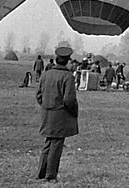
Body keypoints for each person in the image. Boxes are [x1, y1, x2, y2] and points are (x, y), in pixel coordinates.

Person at [35, 46, 78, 183]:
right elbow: (69, 100)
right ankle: (51, 175)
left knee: (47, 143)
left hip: (47, 113)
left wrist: (47, 105)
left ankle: (41, 172)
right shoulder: (68, 77)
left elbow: (39, 95)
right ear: (67, 61)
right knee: (56, 145)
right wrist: (73, 112)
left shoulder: (46, 75)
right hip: (60, 115)